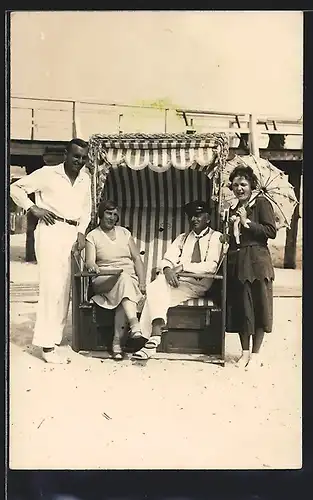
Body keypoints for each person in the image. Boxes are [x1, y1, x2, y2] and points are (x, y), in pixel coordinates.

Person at [10, 138, 91, 363]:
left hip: (72, 234)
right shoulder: (47, 173)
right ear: (66, 154)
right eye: (76, 156)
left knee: (65, 288)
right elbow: (15, 188)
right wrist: (33, 208)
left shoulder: (85, 178)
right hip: (51, 231)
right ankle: (46, 345)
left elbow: (87, 209)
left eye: (83, 157)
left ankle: (54, 340)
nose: (79, 161)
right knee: (51, 287)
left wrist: (82, 233)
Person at [132, 200, 224, 360]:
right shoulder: (183, 238)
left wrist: (181, 267)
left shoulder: (216, 237)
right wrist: (167, 270)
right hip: (179, 284)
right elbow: (167, 259)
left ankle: (146, 337)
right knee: (156, 288)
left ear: (207, 218)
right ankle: (154, 339)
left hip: (200, 284)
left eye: (198, 215)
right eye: (191, 216)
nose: (194, 219)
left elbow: (211, 266)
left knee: (155, 291)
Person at [226, 164, 277, 369]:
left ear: (252, 185)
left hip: (258, 262)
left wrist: (247, 222)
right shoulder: (232, 209)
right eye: (236, 185)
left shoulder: (261, 204)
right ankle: (244, 352)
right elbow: (234, 241)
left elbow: (271, 231)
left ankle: (255, 354)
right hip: (239, 263)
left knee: (259, 307)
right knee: (242, 308)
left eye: (244, 184)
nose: (239, 188)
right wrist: (228, 232)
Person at [85, 200, 146, 360]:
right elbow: (90, 261)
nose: (112, 217)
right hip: (104, 279)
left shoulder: (124, 233)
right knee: (125, 283)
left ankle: (117, 344)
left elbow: (137, 259)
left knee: (125, 287)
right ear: (101, 214)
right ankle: (134, 325)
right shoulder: (93, 235)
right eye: (108, 213)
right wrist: (92, 266)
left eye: (114, 214)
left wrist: (142, 281)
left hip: (127, 279)